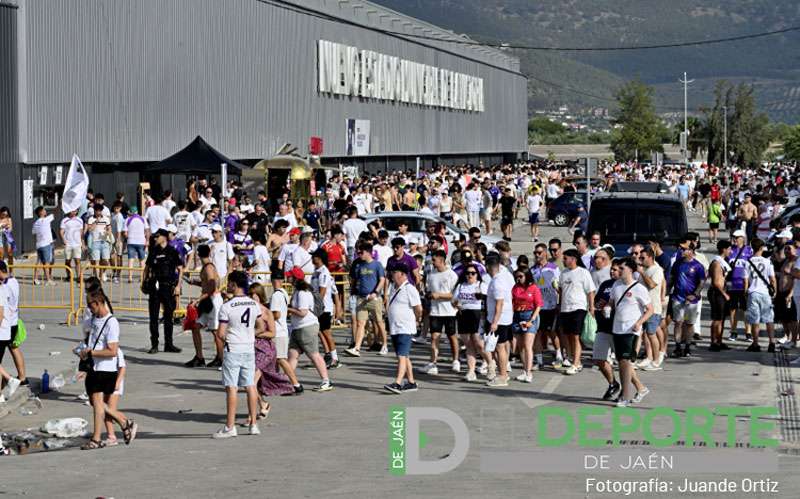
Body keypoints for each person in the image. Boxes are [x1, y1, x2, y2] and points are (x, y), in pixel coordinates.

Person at [78, 291, 137, 449]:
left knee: (97, 403)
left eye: (91, 306)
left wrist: (92, 352)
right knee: (93, 402)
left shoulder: (111, 322)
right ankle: (125, 422)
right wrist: (84, 352)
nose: (90, 310)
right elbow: (91, 341)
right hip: (93, 366)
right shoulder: (93, 320)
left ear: (98, 303)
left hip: (105, 368)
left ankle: (96, 439)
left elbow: (112, 350)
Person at [212, 271, 265, 439]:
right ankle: (253, 425)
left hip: (233, 348)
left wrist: (229, 338)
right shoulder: (253, 304)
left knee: (231, 387)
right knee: (250, 385)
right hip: (248, 347)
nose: (227, 286)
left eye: (229, 283)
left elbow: (220, 333)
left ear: (234, 285)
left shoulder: (226, 306)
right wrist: (249, 334)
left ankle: (230, 426)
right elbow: (261, 326)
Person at [610, 258, 653, 407]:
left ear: (631, 270)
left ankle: (625, 396)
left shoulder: (639, 288)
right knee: (621, 362)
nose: (619, 271)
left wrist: (639, 323)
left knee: (625, 362)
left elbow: (650, 310)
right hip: (617, 329)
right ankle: (640, 389)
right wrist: (605, 307)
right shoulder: (616, 285)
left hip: (631, 330)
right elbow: (612, 304)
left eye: (622, 268)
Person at [249, 283, 293, 415]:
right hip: (251, 349)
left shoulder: (266, 312)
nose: (251, 297)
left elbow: (272, 333)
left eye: (254, 295)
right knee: (252, 384)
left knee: (250, 381)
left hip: (265, 350)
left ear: (260, 295)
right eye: (249, 294)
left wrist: (256, 334)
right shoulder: (248, 311)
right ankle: (263, 404)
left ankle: (251, 417)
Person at [286, 267, 333, 392]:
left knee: (314, 354)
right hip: (297, 327)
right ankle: (288, 381)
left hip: (306, 327)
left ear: (295, 278)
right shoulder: (297, 291)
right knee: (292, 355)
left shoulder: (303, 293)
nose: (287, 277)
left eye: (289, 276)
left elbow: (302, 312)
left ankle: (326, 381)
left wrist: (287, 309)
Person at [142, 229, 183, 354]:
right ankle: (154, 344)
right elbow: (147, 268)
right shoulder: (153, 251)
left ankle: (169, 344)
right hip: (155, 286)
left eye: (158, 236)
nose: (155, 238)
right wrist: (143, 282)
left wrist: (178, 286)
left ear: (165, 237)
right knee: (153, 317)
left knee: (168, 316)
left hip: (168, 286)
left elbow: (180, 269)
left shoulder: (172, 251)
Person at [384, 263, 423, 393]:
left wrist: (417, 321)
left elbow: (418, 308)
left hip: (405, 327)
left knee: (401, 356)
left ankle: (398, 383)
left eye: (395, 272)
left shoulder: (410, 289)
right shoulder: (394, 288)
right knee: (404, 356)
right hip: (395, 327)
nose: (392, 274)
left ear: (402, 274)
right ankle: (411, 382)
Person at [184, 244, 224, 368]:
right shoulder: (207, 267)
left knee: (215, 331)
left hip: (213, 300)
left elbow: (212, 288)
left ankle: (220, 358)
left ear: (198, 254)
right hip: (207, 300)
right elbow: (206, 284)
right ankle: (199, 357)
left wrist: (197, 301)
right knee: (195, 327)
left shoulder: (208, 268)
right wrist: (194, 282)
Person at [345, 242, 386, 357]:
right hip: (361, 298)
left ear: (368, 252)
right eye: (358, 252)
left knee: (378, 322)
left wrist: (376, 292)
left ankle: (385, 344)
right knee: (360, 323)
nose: (359, 254)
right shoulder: (359, 265)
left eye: (361, 252)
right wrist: (353, 290)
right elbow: (354, 279)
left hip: (374, 298)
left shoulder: (377, 265)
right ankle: (357, 348)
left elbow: (382, 280)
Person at [422, 250, 459, 375]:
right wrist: (429, 295)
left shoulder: (451, 275)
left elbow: (454, 295)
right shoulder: (431, 274)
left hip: (449, 312)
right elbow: (429, 290)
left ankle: (455, 361)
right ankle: (433, 364)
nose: (432, 262)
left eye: (434, 260)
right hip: (435, 312)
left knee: (452, 336)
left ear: (442, 260)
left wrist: (439, 295)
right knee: (434, 337)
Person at [559, 248, 596, 375]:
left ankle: (575, 363)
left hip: (578, 308)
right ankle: (576, 360)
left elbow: (590, 291)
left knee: (575, 336)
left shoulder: (583, 272)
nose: (563, 260)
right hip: (565, 308)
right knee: (568, 336)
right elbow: (562, 291)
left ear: (573, 259)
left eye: (565, 258)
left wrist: (591, 307)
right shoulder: (563, 273)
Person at [453, 263, 491, 381]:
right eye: (467, 273)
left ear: (477, 274)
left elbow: (488, 300)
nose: (470, 275)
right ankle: (471, 371)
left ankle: (491, 365)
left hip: (477, 315)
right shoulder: (460, 286)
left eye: (473, 273)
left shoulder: (481, 285)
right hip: (464, 314)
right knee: (468, 344)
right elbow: (454, 300)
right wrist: (457, 305)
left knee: (479, 344)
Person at [670, 244, 706, 357]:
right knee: (678, 322)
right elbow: (671, 278)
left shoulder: (697, 266)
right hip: (678, 297)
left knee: (689, 324)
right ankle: (677, 346)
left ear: (691, 250)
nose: (681, 250)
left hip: (692, 300)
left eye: (684, 249)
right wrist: (666, 292)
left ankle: (687, 347)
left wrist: (694, 294)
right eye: (681, 248)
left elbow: (702, 282)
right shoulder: (677, 263)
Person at [484, 253, 514, 387]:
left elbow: (499, 303)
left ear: (488, 267)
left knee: (500, 347)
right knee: (499, 347)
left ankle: (503, 375)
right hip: (504, 317)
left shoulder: (497, 281)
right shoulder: (504, 276)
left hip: (500, 319)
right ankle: (503, 373)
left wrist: (494, 322)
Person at [593, 259, 620, 401]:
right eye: (611, 269)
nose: (612, 271)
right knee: (599, 358)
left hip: (618, 330)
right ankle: (613, 383)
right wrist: (598, 304)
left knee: (623, 363)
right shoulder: (605, 284)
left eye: (615, 269)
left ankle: (627, 390)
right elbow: (597, 301)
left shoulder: (624, 286)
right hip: (602, 327)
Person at [744, 238, 777, 353]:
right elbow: (772, 279)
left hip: (753, 292)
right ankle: (772, 343)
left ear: (752, 248)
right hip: (765, 293)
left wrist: (745, 293)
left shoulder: (748, 261)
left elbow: (746, 281)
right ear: (762, 248)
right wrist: (774, 292)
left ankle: (755, 343)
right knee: (769, 319)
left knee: (755, 320)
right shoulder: (767, 261)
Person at [531, 243, 561, 370]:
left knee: (552, 332)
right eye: (535, 253)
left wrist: (559, 303)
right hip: (537, 307)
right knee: (537, 333)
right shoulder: (532, 270)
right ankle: (539, 360)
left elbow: (559, 288)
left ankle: (559, 356)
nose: (537, 255)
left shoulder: (554, 268)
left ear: (545, 253)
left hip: (551, 306)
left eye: (539, 253)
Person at [637, 248, 666, 369]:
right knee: (645, 335)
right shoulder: (647, 269)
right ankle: (649, 358)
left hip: (653, 308)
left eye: (643, 258)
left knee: (651, 334)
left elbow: (652, 284)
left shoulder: (656, 270)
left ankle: (656, 360)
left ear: (650, 257)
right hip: (643, 308)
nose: (640, 260)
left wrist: (642, 272)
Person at [311, 249, 340, 369]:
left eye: (314, 256)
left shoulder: (323, 272)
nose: (312, 258)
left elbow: (322, 291)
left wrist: (315, 305)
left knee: (326, 332)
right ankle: (328, 355)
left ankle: (335, 358)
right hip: (317, 306)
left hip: (323, 307)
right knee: (320, 331)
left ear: (320, 258)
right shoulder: (315, 272)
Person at [511, 269, 542, 383]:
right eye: (517, 276)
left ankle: (529, 372)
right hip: (517, 316)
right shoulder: (515, 287)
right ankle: (524, 370)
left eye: (520, 276)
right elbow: (512, 301)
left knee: (528, 345)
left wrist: (531, 320)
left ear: (527, 276)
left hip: (529, 315)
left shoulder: (533, 288)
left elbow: (538, 305)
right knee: (520, 347)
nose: (518, 278)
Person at [727, 230, 753, 342]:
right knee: (733, 310)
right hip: (732, 285)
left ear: (742, 238)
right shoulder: (730, 250)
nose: (735, 240)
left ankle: (748, 332)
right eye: (734, 237)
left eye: (737, 237)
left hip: (745, 285)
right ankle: (733, 331)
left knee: (745, 310)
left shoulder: (749, 250)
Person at [708, 241, 732, 351]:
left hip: (722, 292)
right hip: (717, 293)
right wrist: (724, 294)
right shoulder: (717, 263)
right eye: (729, 249)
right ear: (724, 249)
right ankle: (713, 342)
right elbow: (716, 282)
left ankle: (719, 341)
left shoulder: (722, 262)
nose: (730, 251)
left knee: (722, 319)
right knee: (717, 319)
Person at [101, 347, 126, 447]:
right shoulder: (97, 349)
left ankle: (112, 437)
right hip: (103, 382)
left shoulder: (116, 350)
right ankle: (127, 423)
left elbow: (122, 367)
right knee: (105, 409)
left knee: (109, 411)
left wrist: (118, 382)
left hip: (115, 383)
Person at [123, 206, 149, 282]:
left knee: (131, 260)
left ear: (130, 212)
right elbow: (147, 230)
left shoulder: (127, 219)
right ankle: (142, 277)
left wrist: (128, 237)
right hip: (141, 241)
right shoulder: (143, 219)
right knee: (142, 260)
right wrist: (147, 240)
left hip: (131, 241)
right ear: (137, 212)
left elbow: (125, 233)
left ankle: (130, 277)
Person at [32, 206, 55, 285]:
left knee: (39, 262)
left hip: (39, 245)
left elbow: (34, 233)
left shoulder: (36, 223)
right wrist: (59, 203)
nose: (45, 211)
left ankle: (35, 279)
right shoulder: (46, 220)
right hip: (46, 244)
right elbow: (55, 212)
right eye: (44, 210)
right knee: (46, 263)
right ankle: (48, 280)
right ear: (40, 212)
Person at [60, 210, 85, 281]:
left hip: (77, 244)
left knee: (77, 260)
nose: (73, 212)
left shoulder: (80, 220)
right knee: (68, 261)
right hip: (68, 243)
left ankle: (79, 277)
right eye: (72, 211)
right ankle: (69, 276)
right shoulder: (64, 220)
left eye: (75, 211)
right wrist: (63, 240)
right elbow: (61, 231)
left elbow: (81, 232)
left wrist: (83, 243)